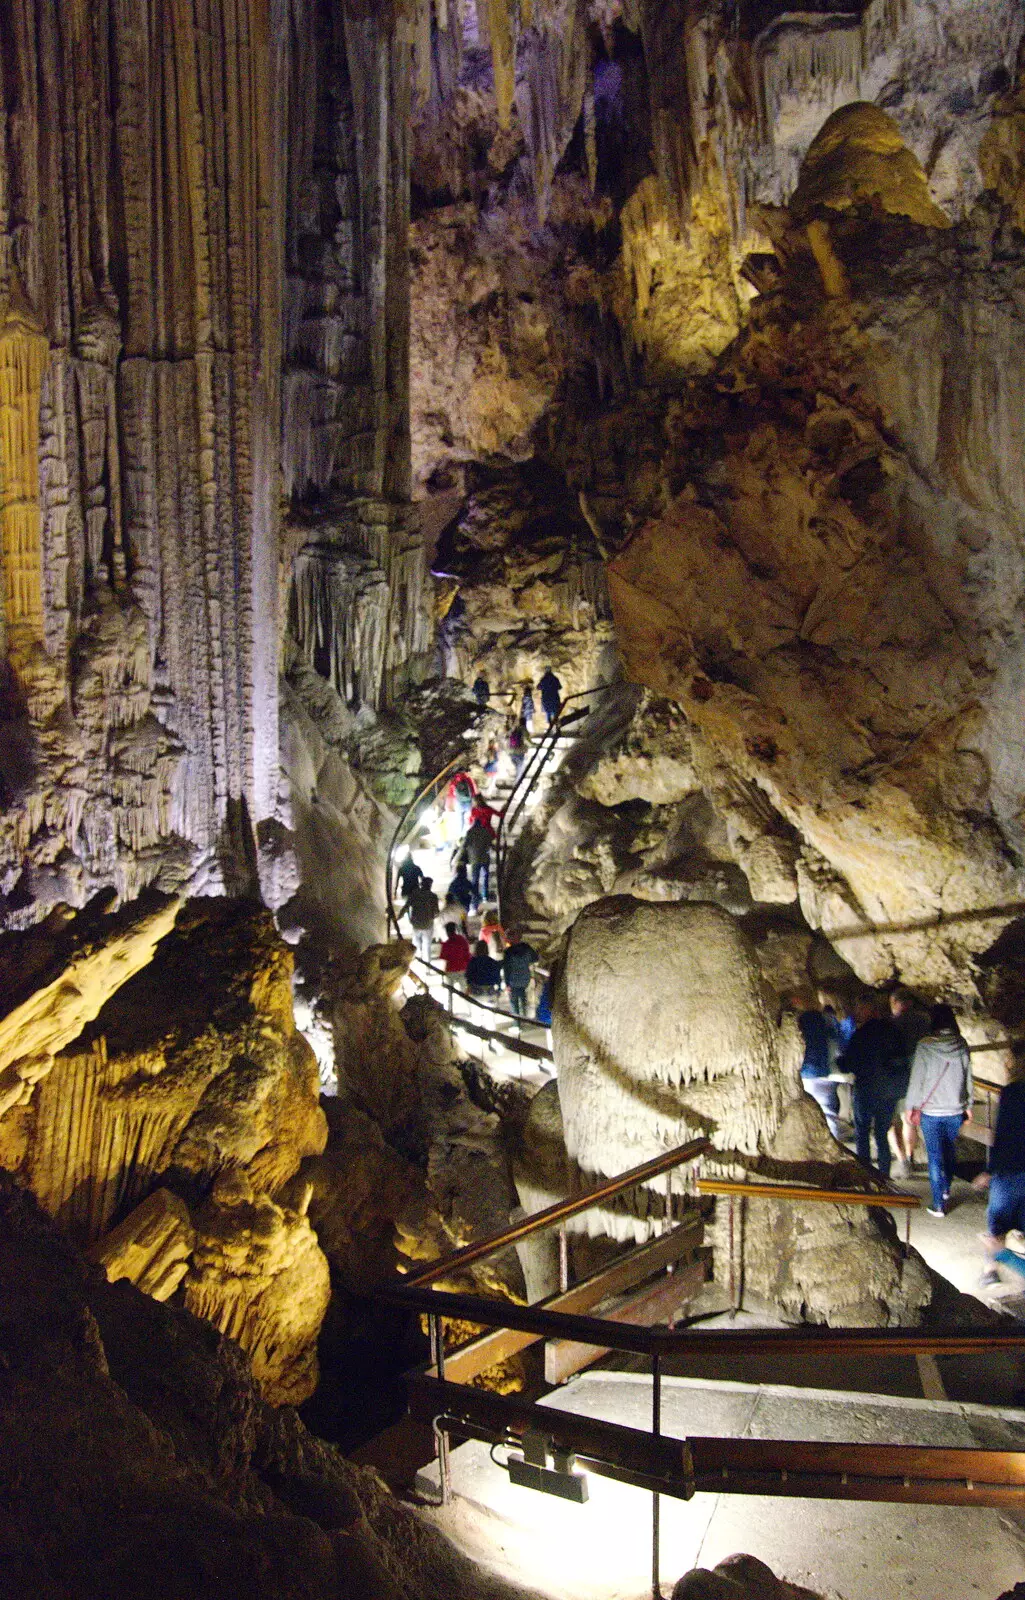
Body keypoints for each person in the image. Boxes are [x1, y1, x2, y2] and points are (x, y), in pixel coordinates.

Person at [906, 1003, 972, 1217]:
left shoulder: (925, 1045)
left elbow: (917, 1080)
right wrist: (968, 1105)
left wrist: (910, 1106)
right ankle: (945, 1189)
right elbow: (967, 1077)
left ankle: (939, 1204)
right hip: (954, 1109)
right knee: (949, 1150)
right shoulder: (961, 1044)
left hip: (932, 1112)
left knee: (935, 1157)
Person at [840, 992, 907, 1181]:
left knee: (862, 1133)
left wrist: (840, 1062)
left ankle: (866, 1175)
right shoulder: (892, 1031)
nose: (857, 1012)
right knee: (881, 1134)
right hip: (888, 1092)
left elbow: (849, 1063)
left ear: (868, 1009)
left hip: (867, 1090)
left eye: (860, 1008)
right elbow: (901, 1059)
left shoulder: (861, 1035)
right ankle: (883, 1176)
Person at [977, 1058, 1025, 1284]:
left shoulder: (1013, 1092)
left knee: (997, 1222)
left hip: (1010, 1167)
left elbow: (1003, 1132)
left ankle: (990, 1271)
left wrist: (990, 1170)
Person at [889, 985, 932, 1176]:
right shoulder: (924, 1022)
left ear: (896, 1003)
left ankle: (902, 1159)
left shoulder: (889, 1024)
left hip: (892, 1077)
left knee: (890, 1122)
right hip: (916, 1078)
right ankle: (909, 1156)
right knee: (909, 1120)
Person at [794, 995, 841, 1141]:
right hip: (825, 1071)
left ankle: (813, 1141)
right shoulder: (826, 1020)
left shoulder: (799, 1021)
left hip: (807, 1072)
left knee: (809, 1111)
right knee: (828, 1112)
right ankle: (834, 1143)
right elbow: (836, 1039)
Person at [403, 876, 439, 964]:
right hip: (428, 924)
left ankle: (416, 962)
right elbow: (436, 912)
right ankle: (427, 966)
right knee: (427, 945)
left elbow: (406, 907)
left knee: (415, 944)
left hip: (416, 924)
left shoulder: (414, 894)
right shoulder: (433, 896)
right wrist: (432, 917)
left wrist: (404, 917)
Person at [503, 933, 538, 1018]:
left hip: (513, 979)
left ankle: (517, 1023)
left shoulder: (508, 951)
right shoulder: (526, 947)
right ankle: (525, 1017)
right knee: (523, 996)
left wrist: (507, 984)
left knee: (514, 1002)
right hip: (525, 977)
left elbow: (506, 969)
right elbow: (535, 958)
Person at [463, 817, 493, 907]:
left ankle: (475, 897)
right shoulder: (485, 831)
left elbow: (465, 845)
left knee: (475, 879)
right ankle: (485, 896)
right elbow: (490, 843)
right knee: (485, 876)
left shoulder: (470, 832)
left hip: (474, 859)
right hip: (485, 858)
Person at [439, 921, 471, 995]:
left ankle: (450, 1004)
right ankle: (467, 1003)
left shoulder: (446, 943)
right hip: (462, 968)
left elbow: (443, 958)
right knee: (464, 990)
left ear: (447, 932)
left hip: (450, 970)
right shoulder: (463, 940)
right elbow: (467, 955)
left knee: (449, 991)